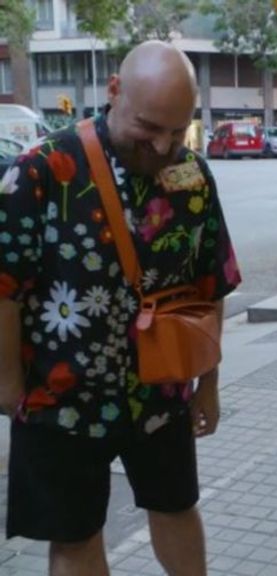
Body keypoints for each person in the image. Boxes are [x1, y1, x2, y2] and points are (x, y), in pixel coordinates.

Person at [0, 41, 240, 575]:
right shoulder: (41, 171)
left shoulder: (192, 176)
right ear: (113, 91)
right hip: (59, 397)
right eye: (149, 126)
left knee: (176, 507)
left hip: (161, 391)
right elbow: (4, 286)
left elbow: (211, 283)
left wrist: (209, 384)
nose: (161, 146)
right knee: (74, 532)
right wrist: (9, 382)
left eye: (177, 131)